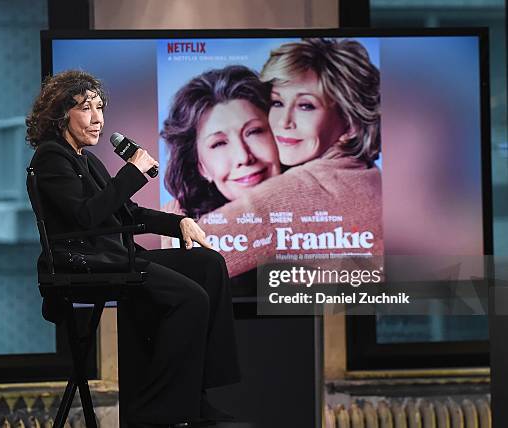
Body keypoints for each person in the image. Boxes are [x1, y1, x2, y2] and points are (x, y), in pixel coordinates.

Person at [25, 70, 240, 428]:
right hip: (87, 264)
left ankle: (198, 397)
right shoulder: (51, 158)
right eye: (86, 109)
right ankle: (163, 412)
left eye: (100, 108)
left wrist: (178, 222)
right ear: (63, 114)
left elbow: (126, 213)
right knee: (190, 299)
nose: (98, 119)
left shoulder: (85, 159)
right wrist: (133, 173)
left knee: (208, 264)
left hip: (114, 257)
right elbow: (87, 216)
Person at [194, 39, 383, 277]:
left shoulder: (306, 189)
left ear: (351, 123)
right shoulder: (367, 175)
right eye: (277, 102)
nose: (283, 122)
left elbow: (187, 257)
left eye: (306, 106)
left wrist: (174, 207)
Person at [161, 65, 281, 219]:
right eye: (219, 143)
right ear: (201, 167)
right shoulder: (175, 229)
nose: (243, 157)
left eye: (254, 132)